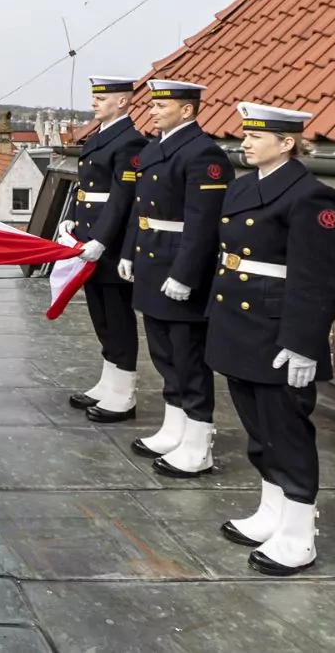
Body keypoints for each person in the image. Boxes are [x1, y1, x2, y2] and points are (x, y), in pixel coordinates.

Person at [206, 103, 335, 576]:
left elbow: (320, 278)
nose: (244, 142)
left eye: (257, 136)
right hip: (237, 324)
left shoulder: (311, 197)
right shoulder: (243, 186)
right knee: (258, 430)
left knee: (286, 432)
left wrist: (305, 342)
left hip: (277, 330)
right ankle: (271, 514)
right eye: (245, 134)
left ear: (287, 143)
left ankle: (299, 534)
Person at [118, 79, 233, 477]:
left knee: (188, 356)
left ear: (187, 110)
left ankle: (199, 443)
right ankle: (174, 428)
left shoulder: (204, 154)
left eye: (161, 106)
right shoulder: (155, 147)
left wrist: (186, 274)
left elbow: (204, 222)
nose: (152, 110)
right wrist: (129, 251)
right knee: (164, 353)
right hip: (152, 262)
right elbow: (140, 208)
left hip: (179, 266)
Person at [63, 75, 148, 422]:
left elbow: (122, 198)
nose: (95, 103)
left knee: (117, 316)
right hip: (87, 236)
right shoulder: (99, 136)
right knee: (99, 313)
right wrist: (70, 218)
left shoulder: (129, 142)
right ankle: (108, 382)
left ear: (123, 102)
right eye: (95, 97)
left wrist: (101, 239)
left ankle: (124, 392)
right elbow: (83, 186)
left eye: (103, 98)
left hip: (109, 242)